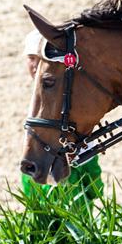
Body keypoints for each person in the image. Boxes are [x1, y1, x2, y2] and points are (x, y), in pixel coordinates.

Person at [21, 29, 104, 203]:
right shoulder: (33, 101)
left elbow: (89, 161)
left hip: (74, 185)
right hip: (38, 187)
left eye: (40, 59)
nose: (36, 65)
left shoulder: (68, 99)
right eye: (31, 58)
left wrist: (94, 186)